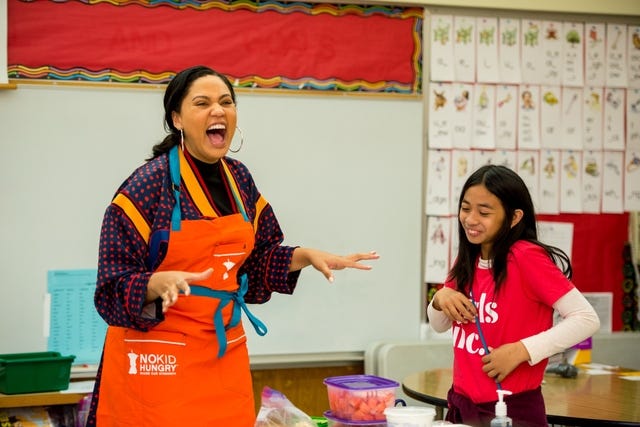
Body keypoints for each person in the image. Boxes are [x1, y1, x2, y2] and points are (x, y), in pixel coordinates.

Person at [86, 65, 379, 427]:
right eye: (202, 102)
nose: (218, 110)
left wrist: (302, 257)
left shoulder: (239, 180)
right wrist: (152, 285)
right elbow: (110, 286)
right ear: (176, 118)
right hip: (157, 362)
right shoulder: (145, 188)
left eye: (226, 101)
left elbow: (255, 265)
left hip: (222, 355)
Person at [427, 164, 599, 427]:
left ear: (514, 217)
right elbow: (439, 325)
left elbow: (586, 318)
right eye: (465, 208)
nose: (471, 219)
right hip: (462, 404)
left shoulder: (525, 256)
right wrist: (440, 298)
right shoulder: (469, 257)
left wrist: (521, 351)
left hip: (512, 410)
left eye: (484, 212)